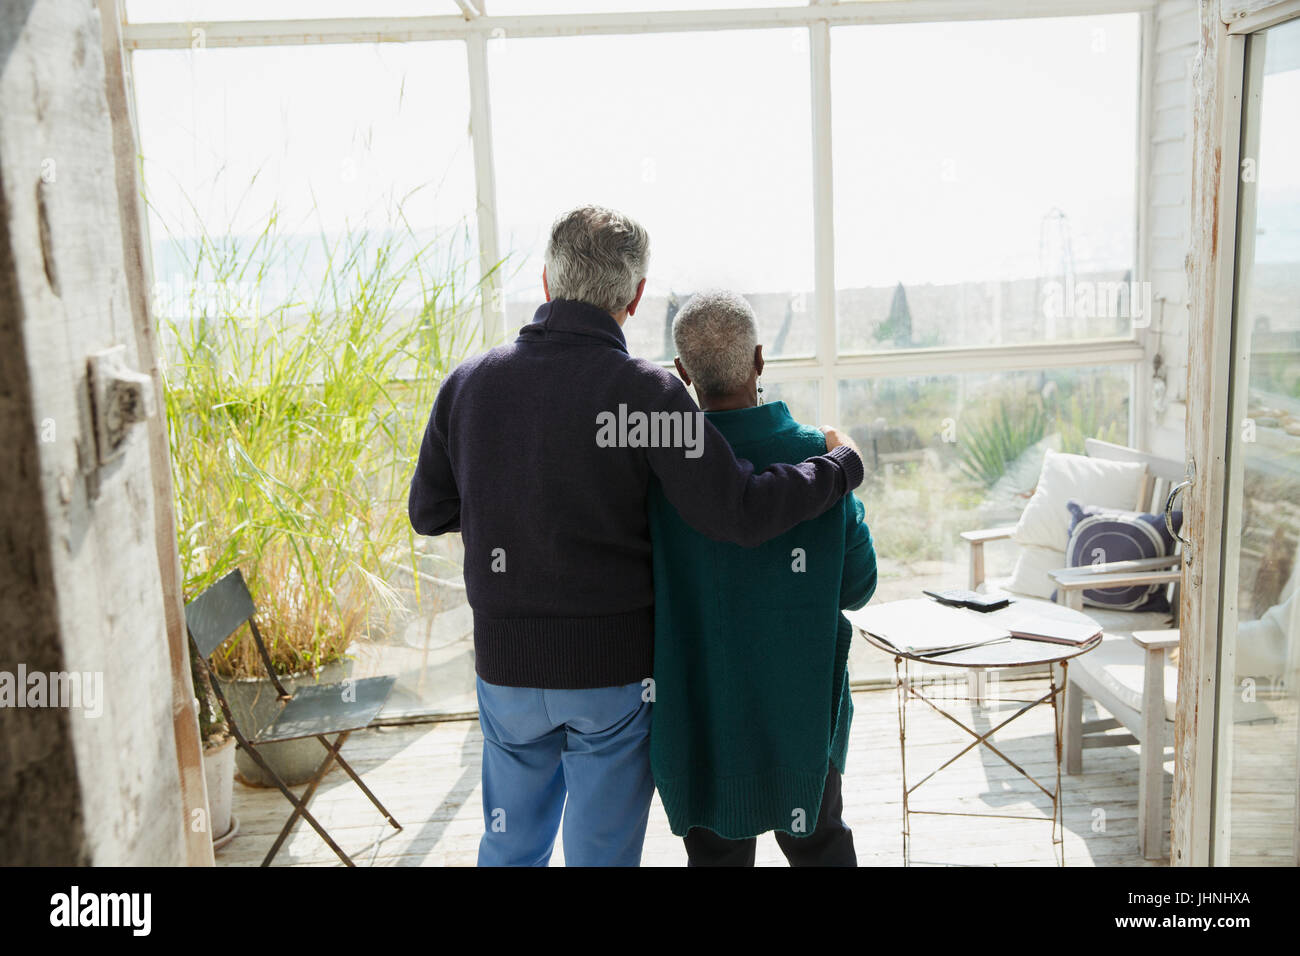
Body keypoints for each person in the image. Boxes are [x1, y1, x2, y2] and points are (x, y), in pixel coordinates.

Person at [408, 205, 865, 866]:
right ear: (636, 295)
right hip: (609, 675)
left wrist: (511, 507)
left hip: (506, 668)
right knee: (600, 855)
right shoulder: (648, 394)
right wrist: (839, 465)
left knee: (509, 849)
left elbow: (431, 511)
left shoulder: (469, 382)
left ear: (545, 281)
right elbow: (738, 512)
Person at [648, 289, 877, 866]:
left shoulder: (661, 470)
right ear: (757, 360)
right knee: (820, 844)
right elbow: (858, 586)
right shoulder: (815, 458)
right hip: (801, 718)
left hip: (701, 720)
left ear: (682, 373)